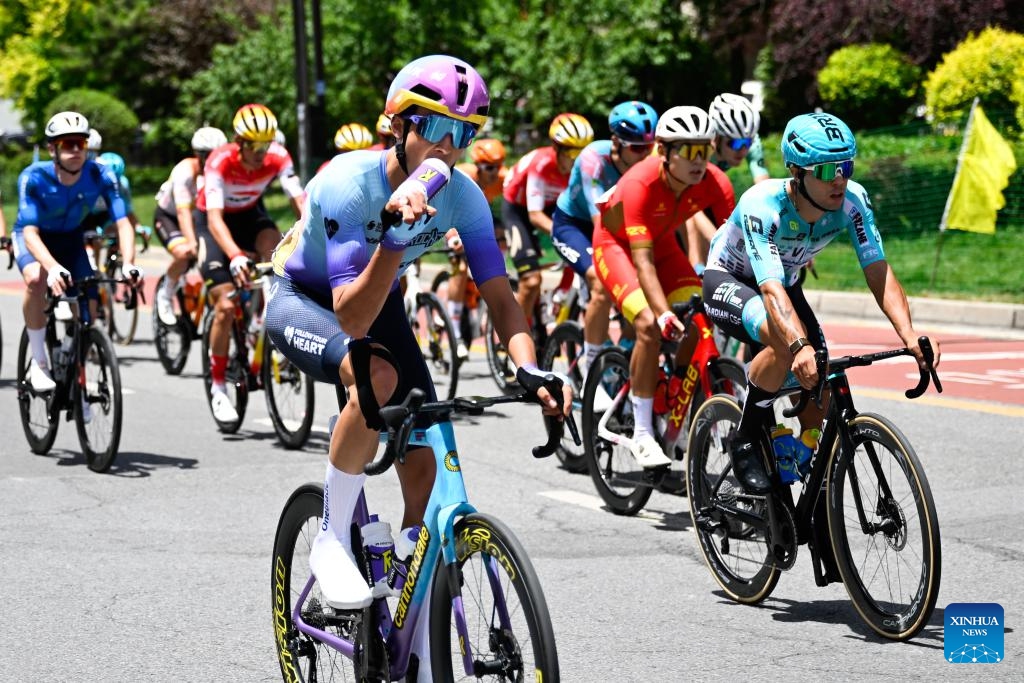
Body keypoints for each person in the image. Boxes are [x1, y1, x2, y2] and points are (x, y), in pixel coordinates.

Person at [265, 54, 570, 620]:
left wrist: (530, 368)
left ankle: (406, 579)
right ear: (397, 125)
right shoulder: (347, 185)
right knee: (377, 379)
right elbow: (350, 318)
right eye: (434, 127)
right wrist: (396, 239)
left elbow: (500, 298)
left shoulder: (463, 195)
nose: (447, 147)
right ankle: (332, 537)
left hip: (377, 298)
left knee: (425, 441)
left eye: (464, 133)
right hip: (305, 300)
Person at [701, 111, 941, 493]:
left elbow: (877, 270)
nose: (841, 180)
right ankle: (746, 437)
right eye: (828, 171)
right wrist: (797, 344)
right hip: (734, 280)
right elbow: (770, 289)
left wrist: (909, 334)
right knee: (786, 345)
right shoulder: (762, 204)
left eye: (846, 166)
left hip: (786, 283)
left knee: (822, 381)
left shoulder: (853, 201)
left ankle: (799, 460)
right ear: (797, 172)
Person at [592, 105, 734, 468]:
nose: (698, 160)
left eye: (705, 149)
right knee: (648, 325)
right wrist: (662, 313)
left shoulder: (715, 183)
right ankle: (642, 434)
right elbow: (642, 263)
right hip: (617, 245)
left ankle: (672, 399)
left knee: (702, 319)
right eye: (688, 150)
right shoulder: (640, 184)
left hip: (663, 244)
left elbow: (735, 244)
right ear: (664, 151)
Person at [11, 111, 142, 392]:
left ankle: (74, 369)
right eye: (67, 144)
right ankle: (39, 360)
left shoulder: (100, 174)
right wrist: (52, 266)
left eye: (80, 144)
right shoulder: (33, 177)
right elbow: (30, 233)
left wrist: (129, 263)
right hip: (33, 237)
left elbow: (122, 223)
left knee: (88, 308)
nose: (75, 150)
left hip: (70, 237)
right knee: (36, 279)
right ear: (52, 149)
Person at [195, 103, 304, 423]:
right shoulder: (219, 160)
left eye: (266, 144)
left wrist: (319, 236)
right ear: (239, 142)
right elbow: (214, 219)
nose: (261, 153)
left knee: (279, 255)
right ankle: (217, 386)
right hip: (215, 224)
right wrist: (236, 255)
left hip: (251, 217)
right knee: (226, 307)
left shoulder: (278, 156)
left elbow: (299, 200)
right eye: (254, 146)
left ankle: (264, 321)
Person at [550, 100, 658, 381]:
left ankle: (624, 351)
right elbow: (600, 222)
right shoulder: (593, 158)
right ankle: (591, 364)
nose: (646, 154)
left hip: (618, 227)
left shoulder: (650, 160)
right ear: (616, 143)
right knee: (601, 282)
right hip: (576, 225)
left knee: (645, 287)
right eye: (637, 148)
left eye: (650, 147)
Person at [502, 112, 594, 324]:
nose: (576, 161)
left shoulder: (585, 167)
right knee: (532, 281)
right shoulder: (541, 164)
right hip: (519, 209)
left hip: (552, 205)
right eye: (571, 154)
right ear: (556, 148)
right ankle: (519, 333)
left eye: (581, 154)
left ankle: (561, 293)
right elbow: (535, 216)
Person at [152, 126, 229, 325]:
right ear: (198, 154)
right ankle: (166, 292)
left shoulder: (221, 171)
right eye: (207, 155)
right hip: (169, 217)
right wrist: (192, 242)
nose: (212, 159)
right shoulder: (184, 172)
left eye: (217, 154)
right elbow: (182, 212)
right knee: (185, 253)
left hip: (197, 218)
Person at [684, 93, 768, 275]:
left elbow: (766, 196)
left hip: (708, 192)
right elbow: (689, 206)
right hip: (684, 197)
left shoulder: (751, 141)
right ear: (716, 138)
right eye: (735, 144)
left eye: (747, 142)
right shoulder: (702, 146)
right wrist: (721, 243)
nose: (743, 150)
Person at [446, 137, 509, 357]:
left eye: (499, 166)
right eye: (489, 167)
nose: (495, 173)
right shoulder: (464, 174)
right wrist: (453, 236)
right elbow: (446, 207)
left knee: (501, 234)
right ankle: (455, 333)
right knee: (461, 268)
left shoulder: (501, 179)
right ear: (478, 166)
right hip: (453, 219)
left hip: (478, 218)